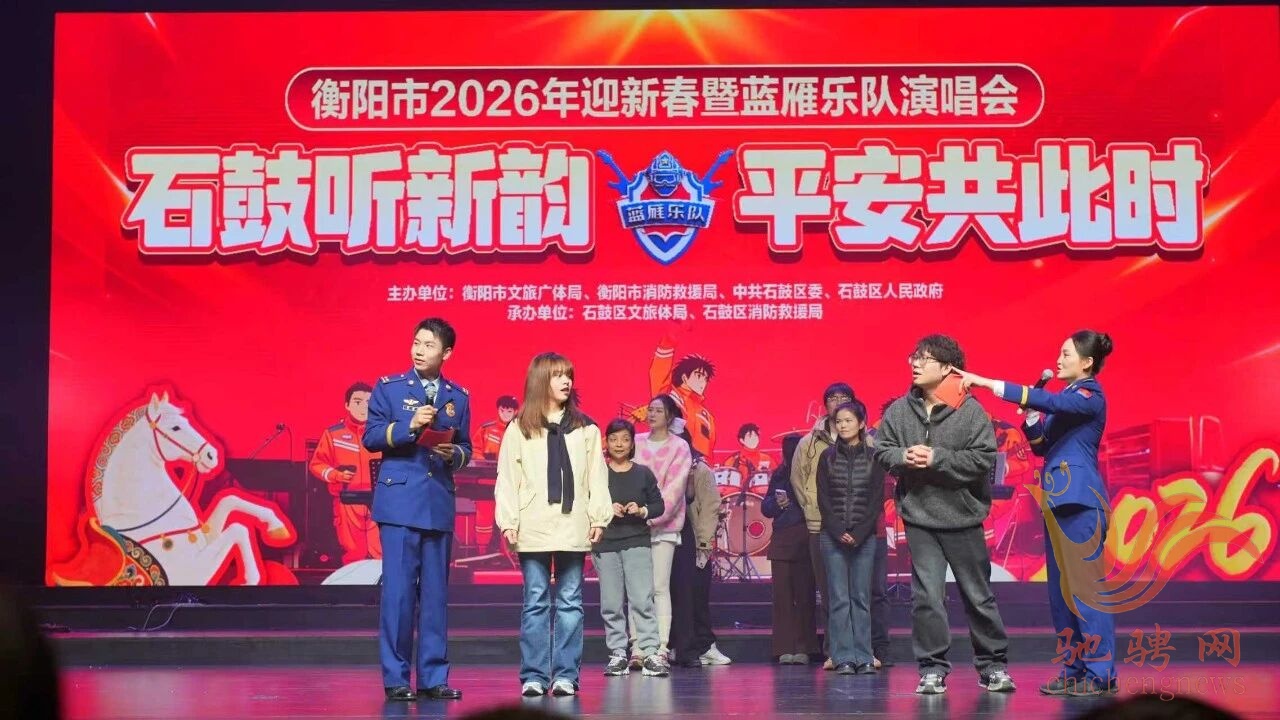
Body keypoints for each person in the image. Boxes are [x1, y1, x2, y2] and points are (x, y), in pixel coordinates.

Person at [959, 330, 1117, 696]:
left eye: (1066, 354)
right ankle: (1074, 670)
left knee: (1085, 593)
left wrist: (986, 383)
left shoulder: (1090, 395)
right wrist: (1031, 417)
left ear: (1087, 362)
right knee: (1061, 596)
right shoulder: (1066, 400)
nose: (1059, 360)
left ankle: (1100, 673)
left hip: (1081, 502)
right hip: (1058, 502)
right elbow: (1042, 446)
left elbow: (1050, 401)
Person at [873, 335, 1013, 695]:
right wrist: (902, 457)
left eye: (925, 359)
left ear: (948, 368)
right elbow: (881, 450)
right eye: (914, 357)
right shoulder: (899, 411)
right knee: (926, 598)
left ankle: (993, 666)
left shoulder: (971, 411)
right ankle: (932, 669)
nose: (915, 364)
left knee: (978, 596)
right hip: (919, 518)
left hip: (963, 518)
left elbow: (983, 459)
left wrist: (937, 458)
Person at [362, 318, 472, 702]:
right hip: (399, 505)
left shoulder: (458, 397)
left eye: (429, 345)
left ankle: (433, 677)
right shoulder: (389, 388)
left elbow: (467, 448)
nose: (419, 350)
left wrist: (453, 452)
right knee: (398, 596)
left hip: (437, 504)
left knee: (436, 597)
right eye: (416, 342)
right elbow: (371, 437)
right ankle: (396, 678)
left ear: (447, 353)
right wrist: (408, 425)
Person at [494, 352, 612, 698]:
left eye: (568, 375)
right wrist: (509, 520)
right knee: (535, 600)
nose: (566, 381)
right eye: (558, 375)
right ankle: (533, 675)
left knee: (571, 601)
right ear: (540, 380)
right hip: (533, 523)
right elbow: (508, 477)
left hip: (572, 522)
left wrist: (599, 516)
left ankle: (565, 675)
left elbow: (596, 476)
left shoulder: (586, 427)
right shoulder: (519, 427)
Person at [594, 418, 668, 678]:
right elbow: (586, 504)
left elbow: (659, 505)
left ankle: (650, 653)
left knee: (642, 599)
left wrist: (642, 510)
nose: (619, 444)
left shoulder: (643, 473)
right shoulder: (597, 474)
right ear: (606, 442)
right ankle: (617, 653)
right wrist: (606, 509)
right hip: (606, 543)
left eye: (625, 439)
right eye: (613, 439)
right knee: (611, 602)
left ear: (632, 443)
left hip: (637, 540)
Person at [816, 400, 885, 675]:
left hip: (864, 537)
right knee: (839, 598)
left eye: (848, 420)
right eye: (839, 421)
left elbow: (876, 500)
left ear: (861, 423)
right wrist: (838, 531)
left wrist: (858, 533)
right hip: (831, 537)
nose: (843, 425)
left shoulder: (874, 457)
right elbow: (823, 499)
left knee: (861, 597)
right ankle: (843, 656)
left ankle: (864, 655)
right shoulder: (827, 457)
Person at [790, 381, 855, 670]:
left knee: (857, 591)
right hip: (820, 525)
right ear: (825, 405)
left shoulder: (864, 440)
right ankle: (834, 650)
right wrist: (810, 508)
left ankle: (860, 649)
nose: (838, 402)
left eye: (844, 397)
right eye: (832, 398)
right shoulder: (809, 442)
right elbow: (797, 479)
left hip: (856, 525)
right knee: (829, 591)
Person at [628, 395, 692, 667]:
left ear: (670, 416)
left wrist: (649, 514)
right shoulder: (636, 442)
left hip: (663, 527)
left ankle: (661, 647)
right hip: (633, 526)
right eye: (650, 410)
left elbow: (675, 489)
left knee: (659, 587)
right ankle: (637, 647)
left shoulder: (679, 447)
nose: (652, 414)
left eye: (658, 410)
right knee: (636, 589)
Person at [669, 439, 731, 668]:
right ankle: (674, 646)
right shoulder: (663, 467)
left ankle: (705, 646)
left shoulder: (699, 469)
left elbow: (710, 508)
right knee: (674, 599)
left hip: (693, 542)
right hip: (667, 541)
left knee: (697, 598)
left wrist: (703, 544)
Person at [761, 433, 820, 664]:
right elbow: (766, 507)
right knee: (782, 597)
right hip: (782, 539)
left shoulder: (812, 473)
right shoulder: (779, 475)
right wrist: (778, 504)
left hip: (806, 536)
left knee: (805, 595)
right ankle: (783, 647)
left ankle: (805, 647)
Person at [310, 382, 382, 564]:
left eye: (368, 402)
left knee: (381, 553)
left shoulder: (383, 433)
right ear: (347, 405)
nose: (363, 407)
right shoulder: (333, 434)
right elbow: (317, 464)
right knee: (353, 554)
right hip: (347, 503)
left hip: (380, 502)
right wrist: (336, 475)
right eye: (357, 402)